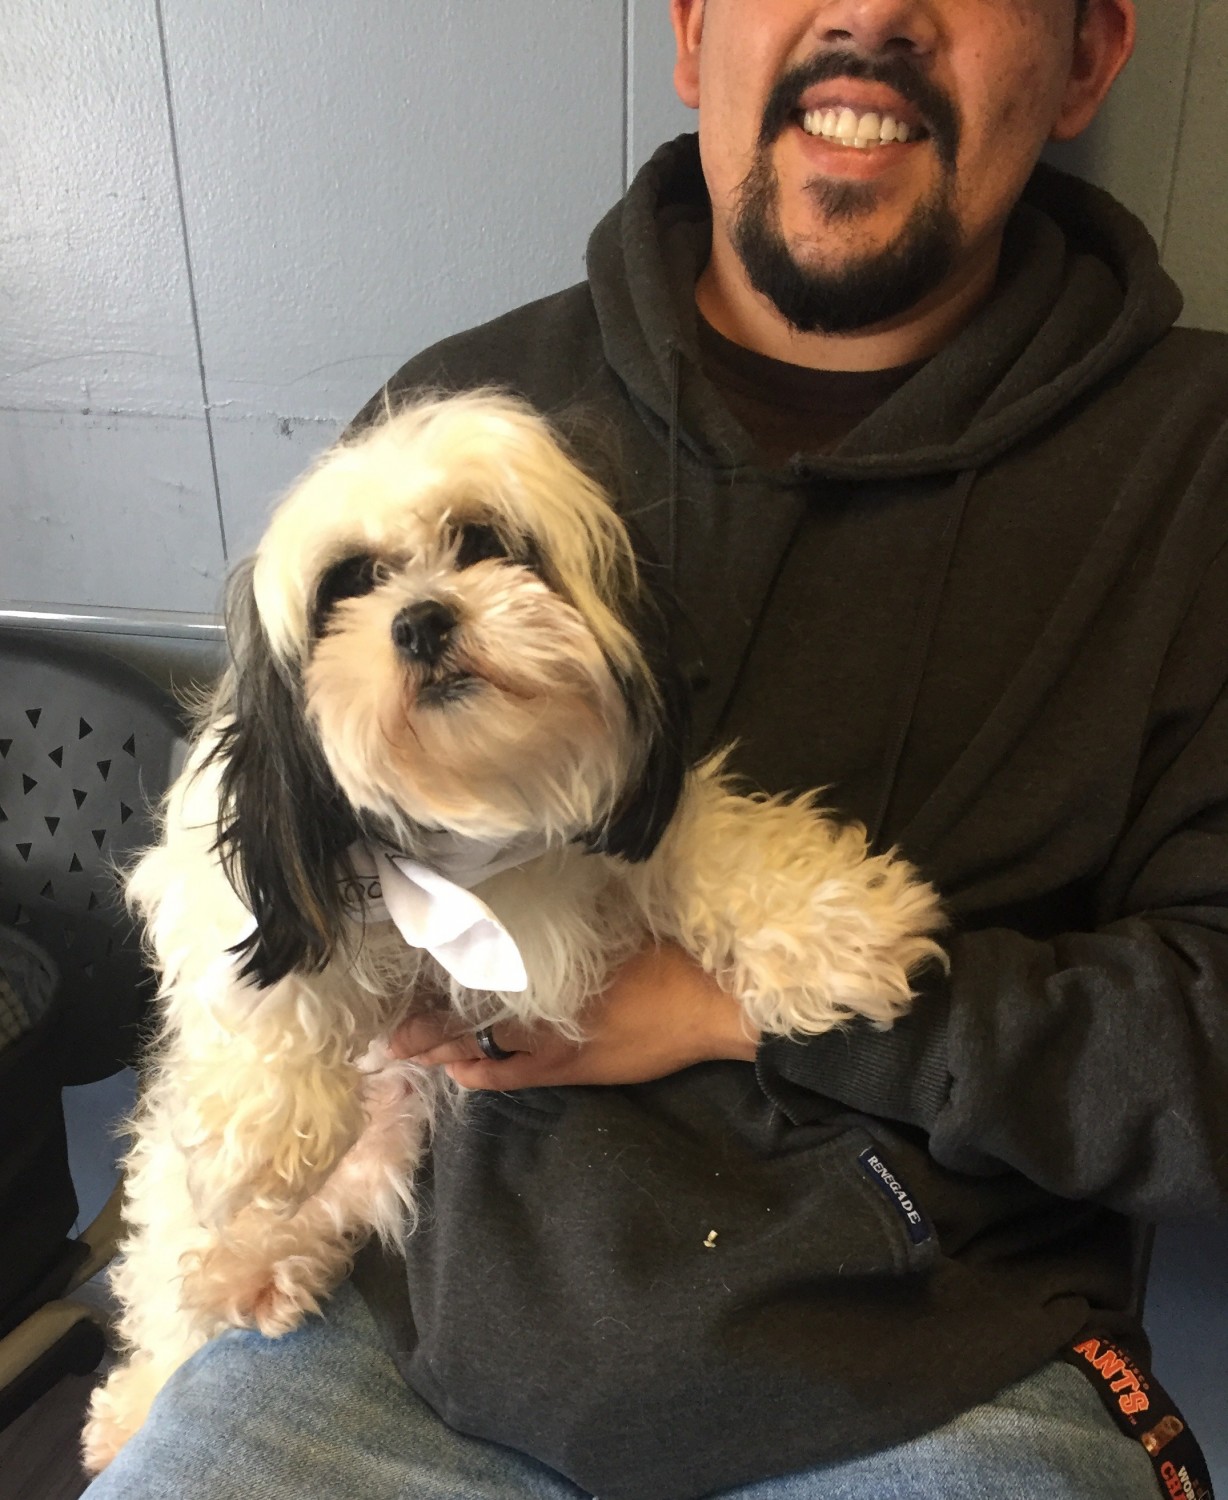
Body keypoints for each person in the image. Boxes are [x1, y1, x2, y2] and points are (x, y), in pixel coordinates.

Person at [84, 2, 1227, 1496]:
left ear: (1088, 54)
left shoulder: (1196, 469)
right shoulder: (459, 410)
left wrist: (740, 1008)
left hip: (935, 1373)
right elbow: (276, 894)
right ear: (691, 34)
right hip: (400, 1335)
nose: (871, 9)